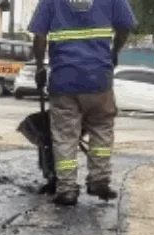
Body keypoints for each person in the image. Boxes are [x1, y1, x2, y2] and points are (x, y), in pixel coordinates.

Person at [27, 0, 137, 205]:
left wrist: (41, 67)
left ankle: (67, 189)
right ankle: (99, 180)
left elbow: (39, 36)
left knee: (65, 136)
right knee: (101, 128)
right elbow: (125, 27)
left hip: (63, 80)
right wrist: (113, 52)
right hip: (98, 79)